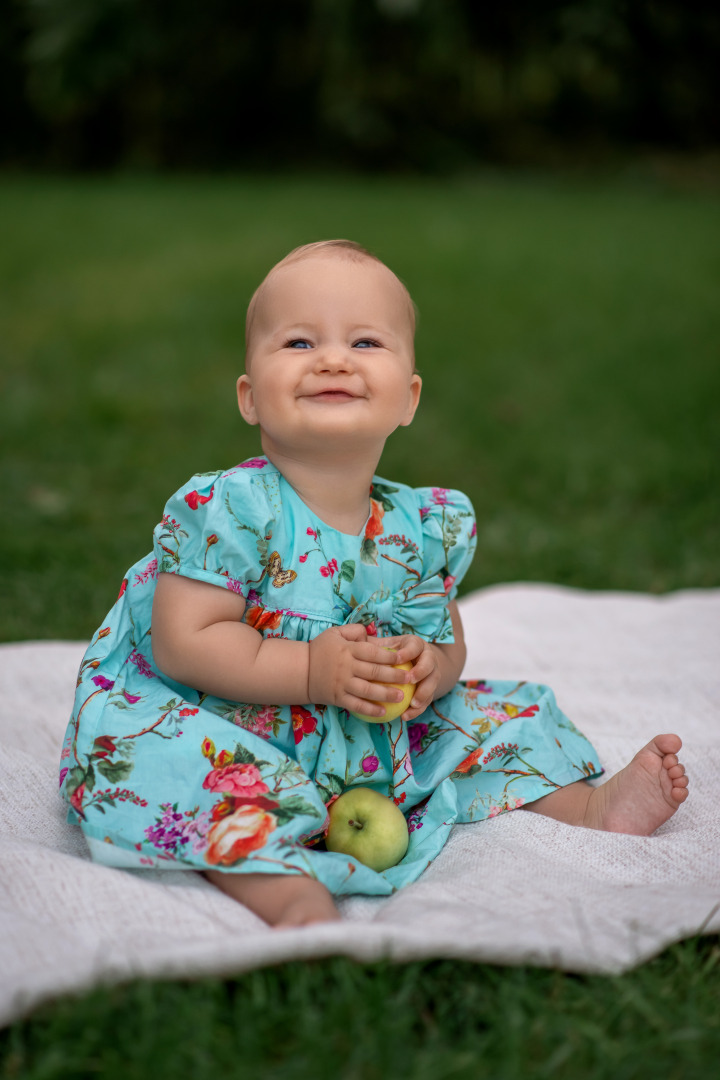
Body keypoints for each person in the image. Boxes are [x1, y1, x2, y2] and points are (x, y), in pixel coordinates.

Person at [60, 240, 689, 928]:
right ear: (249, 397)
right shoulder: (231, 511)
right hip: (225, 714)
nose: (333, 359)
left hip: (361, 728)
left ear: (409, 398)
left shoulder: (422, 526)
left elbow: (444, 638)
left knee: (497, 718)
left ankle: (587, 807)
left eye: (365, 341)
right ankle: (286, 890)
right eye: (299, 341)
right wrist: (310, 671)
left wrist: (431, 670)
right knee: (187, 774)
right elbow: (184, 642)